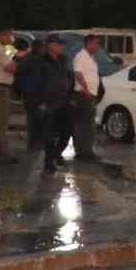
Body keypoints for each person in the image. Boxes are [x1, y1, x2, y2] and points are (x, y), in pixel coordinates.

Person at [37, 36, 76, 173]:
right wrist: (40, 101)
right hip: (48, 102)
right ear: (49, 45)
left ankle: (55, 154)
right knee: (49, 134)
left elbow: (69, 78)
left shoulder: (63, 60)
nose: (61, 47)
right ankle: (49, 162)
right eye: (58, 44)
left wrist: (71, 97)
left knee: (68, 131)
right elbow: (35, 83)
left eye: (62, 44)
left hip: (64, 101)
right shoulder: (41, 61)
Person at [71, 34, 103, 162]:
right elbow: (77, 72)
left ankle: (87, 150)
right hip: (84, 95)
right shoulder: (81, 56)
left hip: (90, 94)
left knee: (88, 124)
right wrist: (85, 89)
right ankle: (82, 151)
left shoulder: (91, 57)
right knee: (83, 124)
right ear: (89, 43)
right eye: (96, 43)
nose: (97, 46)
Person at [0, 30, 21, 164]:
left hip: (2, 87)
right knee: (1, 123)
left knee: (1, 122)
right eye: (9, 35)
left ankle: (0, 152)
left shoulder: (1, 48)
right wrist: (18, 60)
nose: (11, 38)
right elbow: (11, 68)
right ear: (1, 35)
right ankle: (1, 154)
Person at [14, 39, 46, 152]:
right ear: (40, 48)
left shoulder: (25, 59)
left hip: (28, 94)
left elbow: (18, 77)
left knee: (31, 119)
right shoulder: (43, 61)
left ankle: (32, 144)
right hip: (39, 94)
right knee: (39, 120)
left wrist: (19, 93)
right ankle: (38, 144)